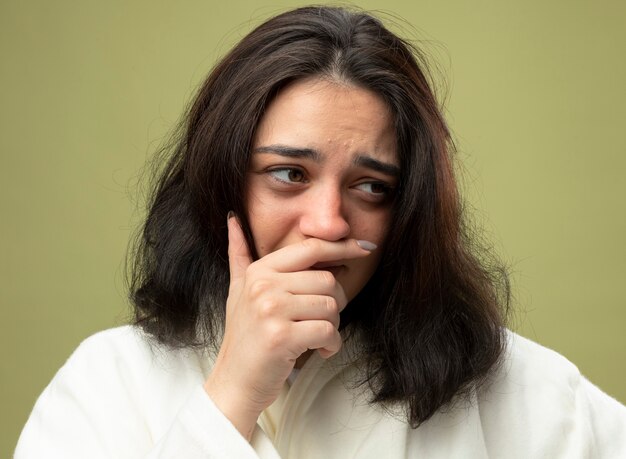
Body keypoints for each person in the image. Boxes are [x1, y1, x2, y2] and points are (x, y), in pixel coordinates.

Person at [15, 6, 626, 458]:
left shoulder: (525, 394)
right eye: (288, 173)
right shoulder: (107, 383)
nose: (329, 222)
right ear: (221, 180)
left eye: (370, 187)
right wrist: (231, 393)